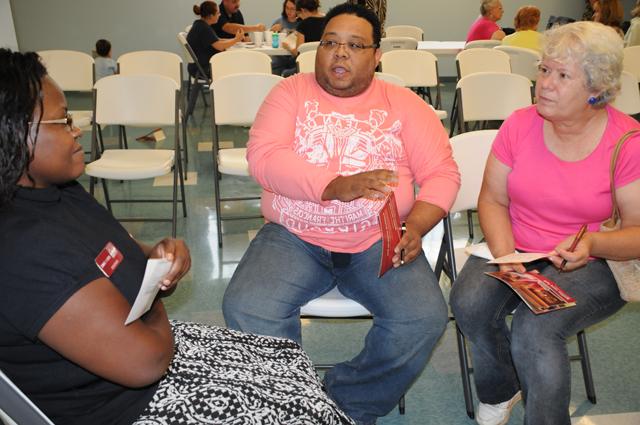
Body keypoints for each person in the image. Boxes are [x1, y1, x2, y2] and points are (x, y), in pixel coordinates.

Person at [0, 48, 355, 425]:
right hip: (128, 404)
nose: (77, 129)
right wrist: (151, 293)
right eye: (63, 120)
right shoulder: (21, 249)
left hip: (145, 350)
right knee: (303, 413)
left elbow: (111, 252)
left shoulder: (53, 191)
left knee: (283, 357)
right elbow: (145, 361)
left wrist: (155, 255)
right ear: (15, 132)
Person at [222, 3, 460, 424]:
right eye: (330, 43)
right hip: (293, 235)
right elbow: (264, 158)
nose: (340, 53)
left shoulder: (406, 105)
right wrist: (333, 185)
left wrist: (417, 225)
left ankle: (346, 403)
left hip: (378, 240)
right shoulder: (288, 93)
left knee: (422, 319)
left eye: (354, 45)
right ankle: (292, 403)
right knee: (248, 308)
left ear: (376, 56)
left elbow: (441, 173)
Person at [450, 21, 640, 425]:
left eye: (563, 75)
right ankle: (503, 387)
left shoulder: (628, 143)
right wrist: (505, 254)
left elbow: (638, 233)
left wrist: (592, 245)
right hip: (516, 243)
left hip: (594, 261)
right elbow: (492, 200)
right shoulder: (520, 124)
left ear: (596, 90)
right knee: (468, 303)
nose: (545, 84)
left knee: (536, 329)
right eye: (544, 70)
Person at [186, 1, 242, 79]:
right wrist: (236, 40)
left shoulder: (200, 25)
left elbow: (217, 40)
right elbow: (219, 46)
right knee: (236, 66)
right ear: (211, 16)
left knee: (234, 64)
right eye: (218, 13)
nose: (220, 15)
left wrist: (235, 40)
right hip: (203, 69)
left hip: (198, 67)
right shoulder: (204, 28)